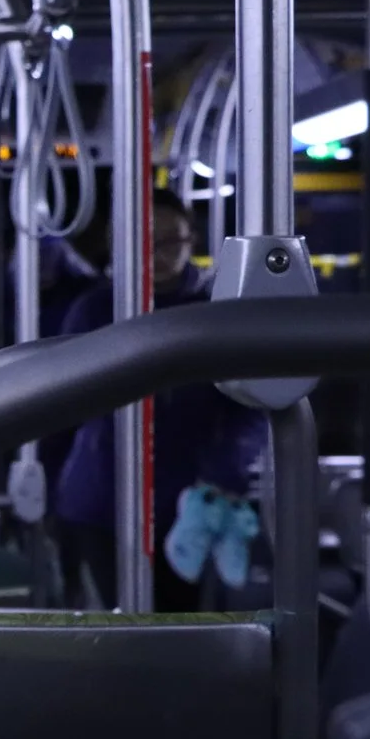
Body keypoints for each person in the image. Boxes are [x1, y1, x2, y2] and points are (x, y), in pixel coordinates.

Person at [52, 189, 268, 609]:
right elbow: (61, 407)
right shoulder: (96, 310)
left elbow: (251, 407)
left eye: (173, 240)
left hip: (190, 500)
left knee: (184, 625)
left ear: (193, 241)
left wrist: (226, 471)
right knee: (117, 627)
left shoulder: (214, 313)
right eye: (149, 239)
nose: (160, 252)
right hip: (100, 496)